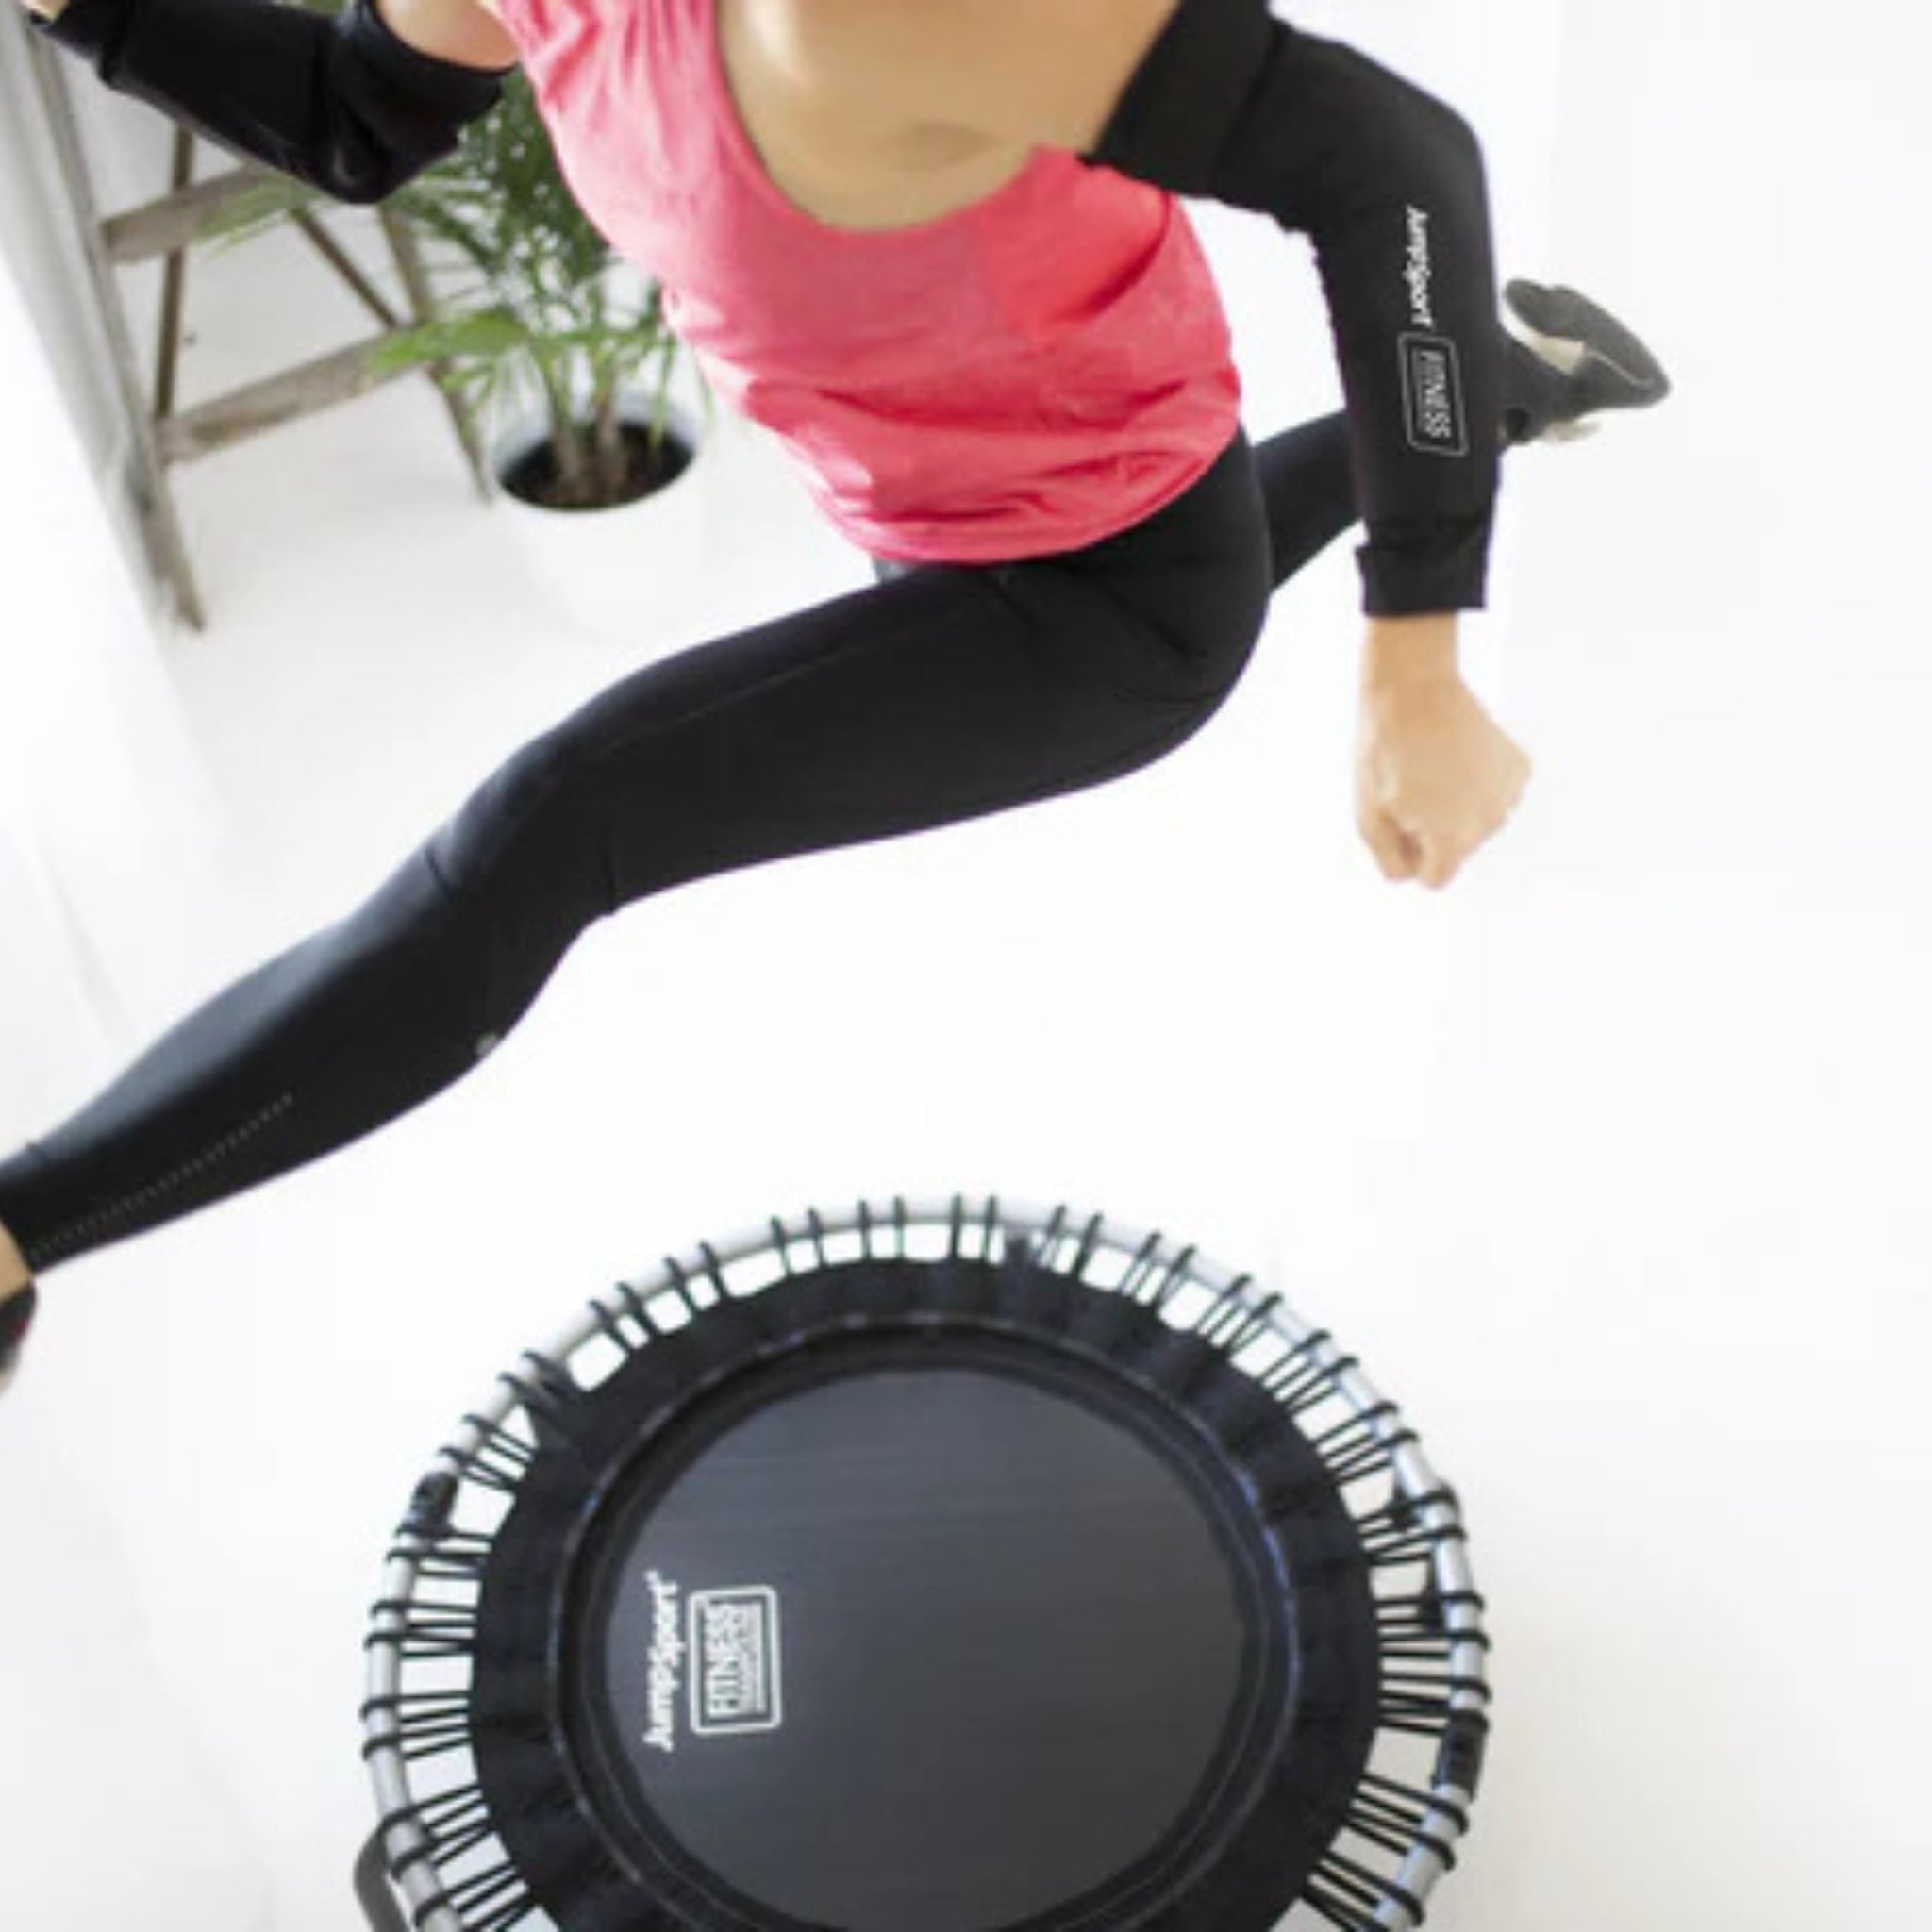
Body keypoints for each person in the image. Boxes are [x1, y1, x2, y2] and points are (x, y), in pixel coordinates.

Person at [0, 0, 1670, 1378]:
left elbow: (1390, 164)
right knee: (1203, 494)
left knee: (556, 822)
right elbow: (356, 119)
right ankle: (1526, 384)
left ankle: (17, 1236)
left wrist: (1419, 654)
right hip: (952, 499)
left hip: (1103, 620)